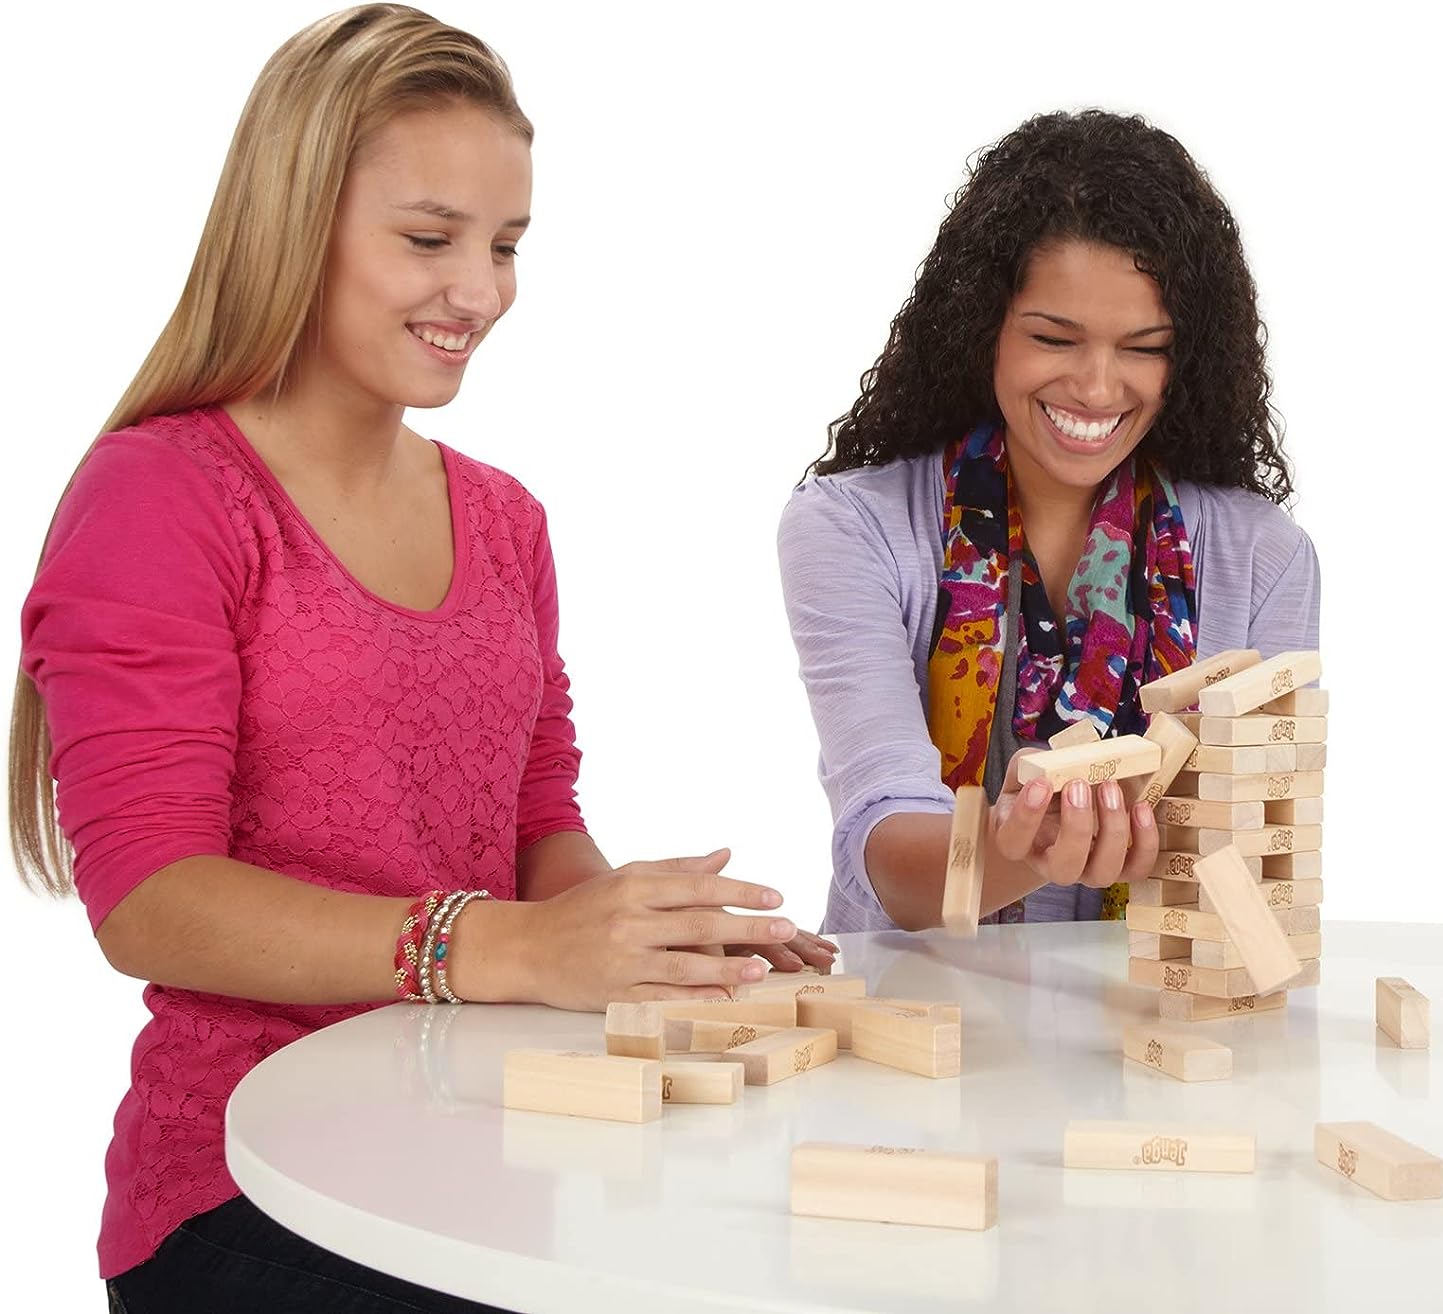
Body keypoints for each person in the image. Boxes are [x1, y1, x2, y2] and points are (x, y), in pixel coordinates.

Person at [11, 6, 834, 1311]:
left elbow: (534, 823)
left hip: (476, 1157)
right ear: (296, 227)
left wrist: (642, 944)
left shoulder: (505, 520)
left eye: (505, 245)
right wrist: (504, 949)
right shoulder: (161, 497)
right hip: (244, 1189)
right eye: (430, 239)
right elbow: (150, 898)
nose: (483, 293)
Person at [779, 110, 1319, 936]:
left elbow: (1261, 863)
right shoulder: (852, 528)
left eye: (1144, 347)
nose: (1098, 388)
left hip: (1150, 1006)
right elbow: (881, 842)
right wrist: (1022, 847)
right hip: (910, 1003)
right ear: (983, 328)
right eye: (1054, 338)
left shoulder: (1265, 558)